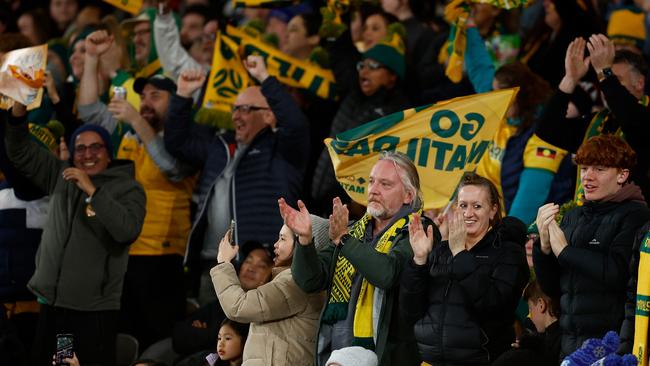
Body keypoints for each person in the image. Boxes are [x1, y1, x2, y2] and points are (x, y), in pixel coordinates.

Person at [77, 29, 196, 350]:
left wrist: (136, 120)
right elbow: (89, 112)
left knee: (158, 343)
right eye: (143, 96)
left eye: (156, 97)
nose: (145, 103)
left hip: (162, 256)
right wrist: (91, 60)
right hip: (121, 253)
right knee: (123, 341)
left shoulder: (185, 141)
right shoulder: (128, 135)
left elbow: (172, 168)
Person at [4, 102, 146, 365]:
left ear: (109, 154)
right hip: (54, 306)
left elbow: (127, 230)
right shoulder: (60, 174)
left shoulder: (129, 189)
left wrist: (92, 190)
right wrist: (19, 109)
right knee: (58, 363)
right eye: (80, 148)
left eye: (96, 147)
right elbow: (19, 149)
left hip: (93, 311)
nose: (87, 154)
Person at [165, 55, 309, 306]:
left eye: (245, 109)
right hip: (215, 262)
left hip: (262, 263)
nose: (235, 116)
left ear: (269, 115)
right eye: (234, 108)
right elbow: (177, 143)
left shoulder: (284, 150)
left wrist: (265, 79)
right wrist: (183, 95)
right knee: (216, 340)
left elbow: (296, 125)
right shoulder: (220, 147)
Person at [281, 150, 437, 366]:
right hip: (336, 353)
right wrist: (305, 239)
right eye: (371, 182)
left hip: (390, 357)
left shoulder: (420, 230)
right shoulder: (352, 231)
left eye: (385, 184)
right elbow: (310, 280)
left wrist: (344, 241)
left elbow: (387, 274)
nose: (373, 190)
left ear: (408, 196)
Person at [534, 134, 650, 358]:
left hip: (611, 345)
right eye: (585, 168)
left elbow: (620, 275)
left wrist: (566, 252)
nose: (587, 177)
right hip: (570, 346)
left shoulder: (636, 215)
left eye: (599, 169)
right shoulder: (573, 217)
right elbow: (554, 288)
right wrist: (545, 249)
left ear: (622, 175)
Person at [400, 172, 529, 364]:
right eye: (463, 205)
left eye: (477, 206)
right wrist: (419, 260)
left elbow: (495, 305)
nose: (468, 213)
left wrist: (460, 254)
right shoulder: (441, 250)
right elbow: (410, 310)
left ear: (493, 210)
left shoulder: (508, 252)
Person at [537, 34, 650, 202]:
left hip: (636, 221)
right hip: (589, 219)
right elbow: (547, 129)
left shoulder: (643, 118)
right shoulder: (597, 122)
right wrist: (570, 79)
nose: (605, 86)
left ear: (639, 83)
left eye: (615, 80)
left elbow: (631, 119)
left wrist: (604, 72)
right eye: (603, 80)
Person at [311, 28, 410, 216]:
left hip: (354, 208)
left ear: (392, 76)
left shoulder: (397, 113)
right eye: (362, 65)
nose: (364, 71)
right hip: (322, 195)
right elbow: (340, 56)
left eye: (373, 66)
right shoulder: (353, 96)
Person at [211, 221, 325, 365]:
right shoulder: (291, 280)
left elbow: (239, 307)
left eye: (282, 239)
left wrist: (223, 263)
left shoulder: (296, 283)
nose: (275, 244)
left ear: (303, 244)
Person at [492, 280, 561, 366]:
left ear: (541, 305)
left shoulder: (553, 346)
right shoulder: (561, 339)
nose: (530, 316)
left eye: (530, 309)